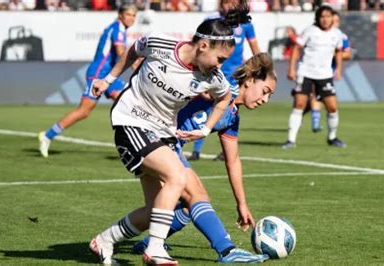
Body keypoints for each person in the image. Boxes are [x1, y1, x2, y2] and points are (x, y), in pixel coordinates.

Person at [88, 8, 253, 265]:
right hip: (131, 121)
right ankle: (154, 249)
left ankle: (104, 240)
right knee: (177, 176)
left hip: (162, 133)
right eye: (219, 59)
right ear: (203, 45)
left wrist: (206, 128)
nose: (221, 66)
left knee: (155, 211)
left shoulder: (213, 78)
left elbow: (225, 98)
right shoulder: (159, 42)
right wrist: (108, 80)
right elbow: (134, 49)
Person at [132, 53, 276, 262]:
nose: (265, 100)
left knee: (187, 207)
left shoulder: (232, 117)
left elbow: (233, 161)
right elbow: (197, 78)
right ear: (251, 80)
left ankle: (143, 243)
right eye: (265, 91)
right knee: (197, 195)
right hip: (153, 137)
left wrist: (242, 204)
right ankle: (227, 250)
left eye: (269, 96)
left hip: (169, 145)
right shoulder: (223, 88)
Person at [38, 4, 138, 158]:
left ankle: (134, 145)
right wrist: (137, 65)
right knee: (84, 111)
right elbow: (120, 52)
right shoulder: (117, 28)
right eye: (128, 14)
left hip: (109, 75)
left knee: (129, 102)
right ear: (120, 15)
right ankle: (47, 136)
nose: (131, 18)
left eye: (133, 15)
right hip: (98, 75)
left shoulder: (119, 29)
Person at [188, 0, 260, 162]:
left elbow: (255, 48)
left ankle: (225, 151)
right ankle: (196, 149)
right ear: (221, 4)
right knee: (203, 107)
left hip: (235, 77)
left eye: (235, 2)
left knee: (231, 112)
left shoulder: (246, 24)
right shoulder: (213, 22)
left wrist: (261, 68)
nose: (231, 6)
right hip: (213, 74)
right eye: (227, 2)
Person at [282, 5, 346, 149]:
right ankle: (290, 140)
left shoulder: (337, 34)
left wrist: (339, 70)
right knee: (299, 105)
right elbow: (296, 48)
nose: (325, 19)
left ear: (332, 18)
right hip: (306, 73)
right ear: (318, 18)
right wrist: (291, 68)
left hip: (325, 75)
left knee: (332, 107)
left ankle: (332, 137)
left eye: (328, 16)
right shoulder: (309, 31)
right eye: (322, 16)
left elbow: (338, 51)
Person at [303, 10, 352, 134]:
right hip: (313, 69)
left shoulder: (341, 36)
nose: (332, 22)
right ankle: (315, 122)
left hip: (328, 71)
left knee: (323, 99)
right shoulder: (315, 33)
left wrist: (332, 52)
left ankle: (304, 112)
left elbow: (347, 54)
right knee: (315, 94)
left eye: (335, 21)